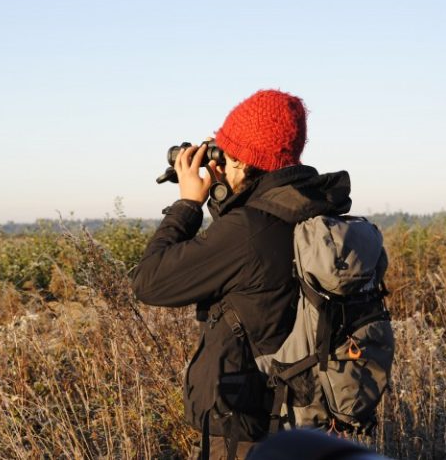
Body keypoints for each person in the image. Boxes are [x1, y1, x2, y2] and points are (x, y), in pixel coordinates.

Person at [131, 89, 353, 460]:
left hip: (244, 426)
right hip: (296, 414)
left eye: (227, 153)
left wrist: (188, 205)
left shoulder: (248, 230)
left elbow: (149, 282)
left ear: (246, 159)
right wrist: (227, 195)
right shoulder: (309, 211)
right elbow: (249, 264)